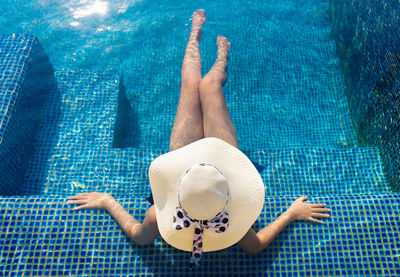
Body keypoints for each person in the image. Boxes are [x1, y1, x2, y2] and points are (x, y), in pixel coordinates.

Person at [67, 9, 331, 266]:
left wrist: (107, 201)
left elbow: (139, 236)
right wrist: (292, 213)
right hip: (220, 158)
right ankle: (222, 56)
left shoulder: (159, 217)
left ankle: (194, 35)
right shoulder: (233, 220)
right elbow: (256, 246)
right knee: (209, 86)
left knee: (192, 84)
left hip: (189, 157)